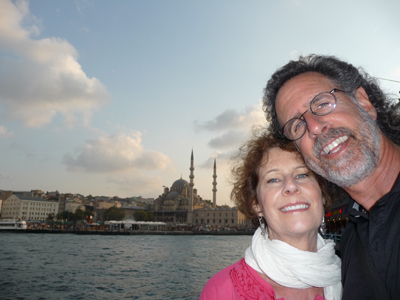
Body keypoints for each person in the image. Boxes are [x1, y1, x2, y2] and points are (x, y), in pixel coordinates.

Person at [262, 54, 400, 300]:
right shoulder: (349, 246)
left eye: (323, 104)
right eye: (297, 126)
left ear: (363, 102)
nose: (314, 127)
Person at [199, 130, 341, 300]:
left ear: (322, 194)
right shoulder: (222, 291)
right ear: (256, 204)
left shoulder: (358, 277)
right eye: (273, 179)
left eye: (302, 174)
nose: (291, 186)